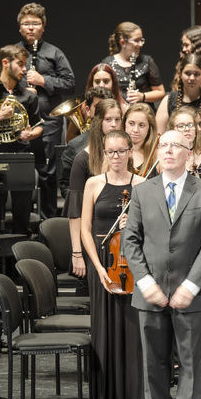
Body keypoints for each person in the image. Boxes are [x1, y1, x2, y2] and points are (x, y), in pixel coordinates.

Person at [123, 130, 201, 399]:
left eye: (175, 146)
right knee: (154, 361)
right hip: (150, 292)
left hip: (191, 294)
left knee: (191, 360)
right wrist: (146, 283)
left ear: (188, 154)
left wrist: (190, 287)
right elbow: (131, 241)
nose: (168, 151)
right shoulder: (142, 191)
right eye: (163, 145)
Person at [80, 130, 145, 399]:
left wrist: (133, 225)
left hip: (132, 268)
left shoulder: (143, 185)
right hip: (103, 267)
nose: (116, 157)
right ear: (103, 153)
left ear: (130, 151)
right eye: (110, 152)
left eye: (121, 151)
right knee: (104, 335)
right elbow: (85, 230)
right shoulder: (93, 183)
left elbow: (153, 231)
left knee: (133, 337)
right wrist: (98, 268)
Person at [0, 2, 75, 218]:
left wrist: (43, 80)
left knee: (47, 173)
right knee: (18, 172)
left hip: (47, 122)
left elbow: (69, 84)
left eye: (35, 23)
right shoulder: (11, 53)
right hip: (14, 124)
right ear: (19, 27)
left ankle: (47, 223)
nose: (30, 28)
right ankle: (22, 223)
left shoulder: (54, 53)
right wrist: (21, 89)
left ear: (43, 26)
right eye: (26, 24)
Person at [0, 44, 43, 235]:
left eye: (25, 64)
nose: (24, 69)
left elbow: (38, 126)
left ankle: (20, 255)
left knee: (22, 215)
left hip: (19, 157)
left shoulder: (28, 96)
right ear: (5, 63)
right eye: (20, 64)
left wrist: (31, 134)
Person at [67, 99, 122, 279]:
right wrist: (77, 253)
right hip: (92, 242)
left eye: (117, 119)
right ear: (98, 121)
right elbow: (75, 212)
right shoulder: (82, 159)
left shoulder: (122, 156)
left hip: (120, 243)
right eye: (108, 119)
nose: (114, 124)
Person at [156, 54, 201, 151]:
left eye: (196, 74)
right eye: (187, 73)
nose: (192, 78)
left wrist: (199, 152)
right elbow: (159, 135)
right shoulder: (168, 100)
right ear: (180, 74)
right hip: (175, 157)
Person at [60, 87, 114, 198]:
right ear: (88, 110)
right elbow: (66, 187)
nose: (103, 112)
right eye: (98, 107)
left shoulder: (125, 144)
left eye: (106, 107)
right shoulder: (75, 146)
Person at [102, 22, 165, 105]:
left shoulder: (147, 61)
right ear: (122, 42)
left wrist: (142, 96)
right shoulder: (108, 63)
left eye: (141, 40)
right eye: (136, 40)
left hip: (143, 111)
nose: (141, 44)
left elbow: (160, 92)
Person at [167, 107, 201, 186]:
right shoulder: (165, 157)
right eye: (181, 126)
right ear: (172, 129)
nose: (187, 129)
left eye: (190, 125)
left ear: (196, 129)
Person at [124, 102, 158, 173]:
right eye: (131, 124)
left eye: (141, 125)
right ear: (124, 123)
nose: (135, 130)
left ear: (149, 128)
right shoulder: (113, 152)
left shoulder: (157, 156)